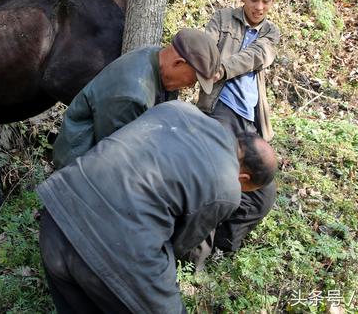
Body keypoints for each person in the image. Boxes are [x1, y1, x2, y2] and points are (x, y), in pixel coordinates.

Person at [38, 100, 277, 314]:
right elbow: (180, 244)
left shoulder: (177, 109)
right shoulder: (228, 188)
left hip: (58, 213)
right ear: (244, 178)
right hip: (115, 250)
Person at [197, 0, 281, 254]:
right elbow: (205, 47)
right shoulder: (222, 19)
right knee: (216, 178)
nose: (259, 7)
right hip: (220, 110)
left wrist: (223, 68)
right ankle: (198, 250)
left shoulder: (271, 32)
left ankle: (225, 245)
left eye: (266, 1)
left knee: (263, 194)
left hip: (250, 121)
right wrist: (212, 65)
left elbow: (257, 56)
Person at [52, 28, 220, 169]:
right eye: (193, 80)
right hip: (78, 164)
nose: (190, 86)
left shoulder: (154, 55)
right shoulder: (132, 95)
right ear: (178, 63)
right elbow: (118, 155)